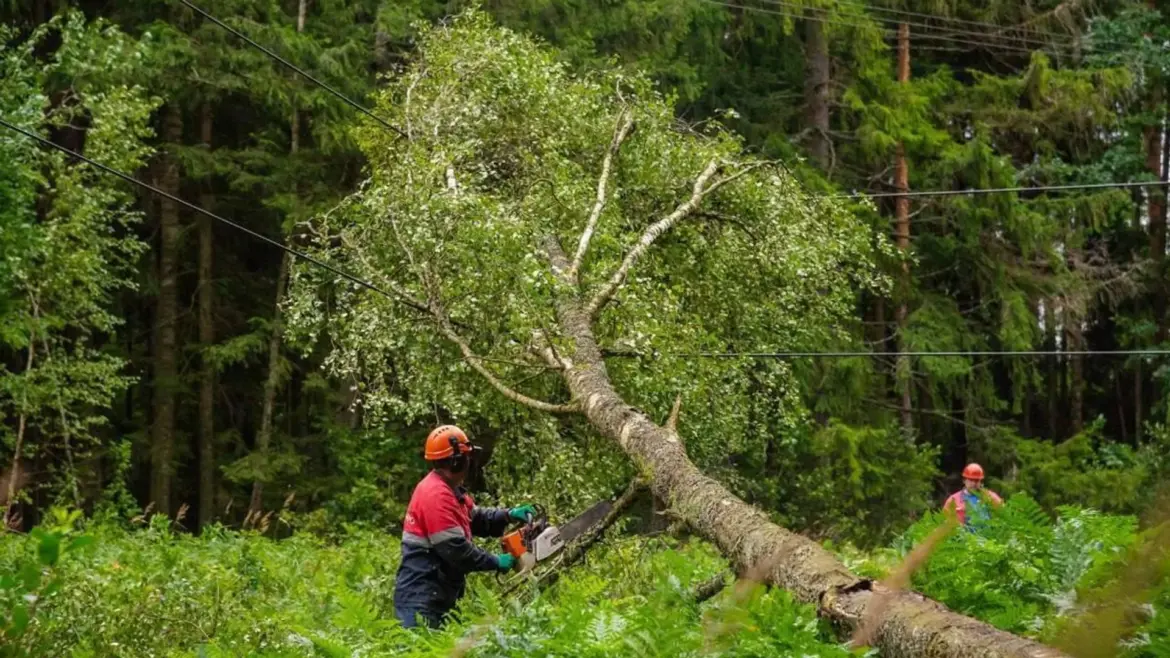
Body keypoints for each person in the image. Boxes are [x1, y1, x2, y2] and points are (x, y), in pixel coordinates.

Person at [393, 425, 537, 629]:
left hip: (437, 594)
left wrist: (507, 515)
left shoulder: (449, 490)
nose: (469, 462)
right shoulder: (436, 494)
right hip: (422, 597)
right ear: (456, 461)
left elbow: (475, 518)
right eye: (466, 457)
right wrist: (495, 561)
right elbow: (455, 549)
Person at [943, 463, 1003, 529]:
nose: (974, 483)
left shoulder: (991, 498)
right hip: (962, 537)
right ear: (964, 480)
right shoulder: (953, 500)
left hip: (987, 537)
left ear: (981, 481)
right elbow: (944, 521)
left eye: (977, 480)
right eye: (971, 480)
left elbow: (1004, 516)